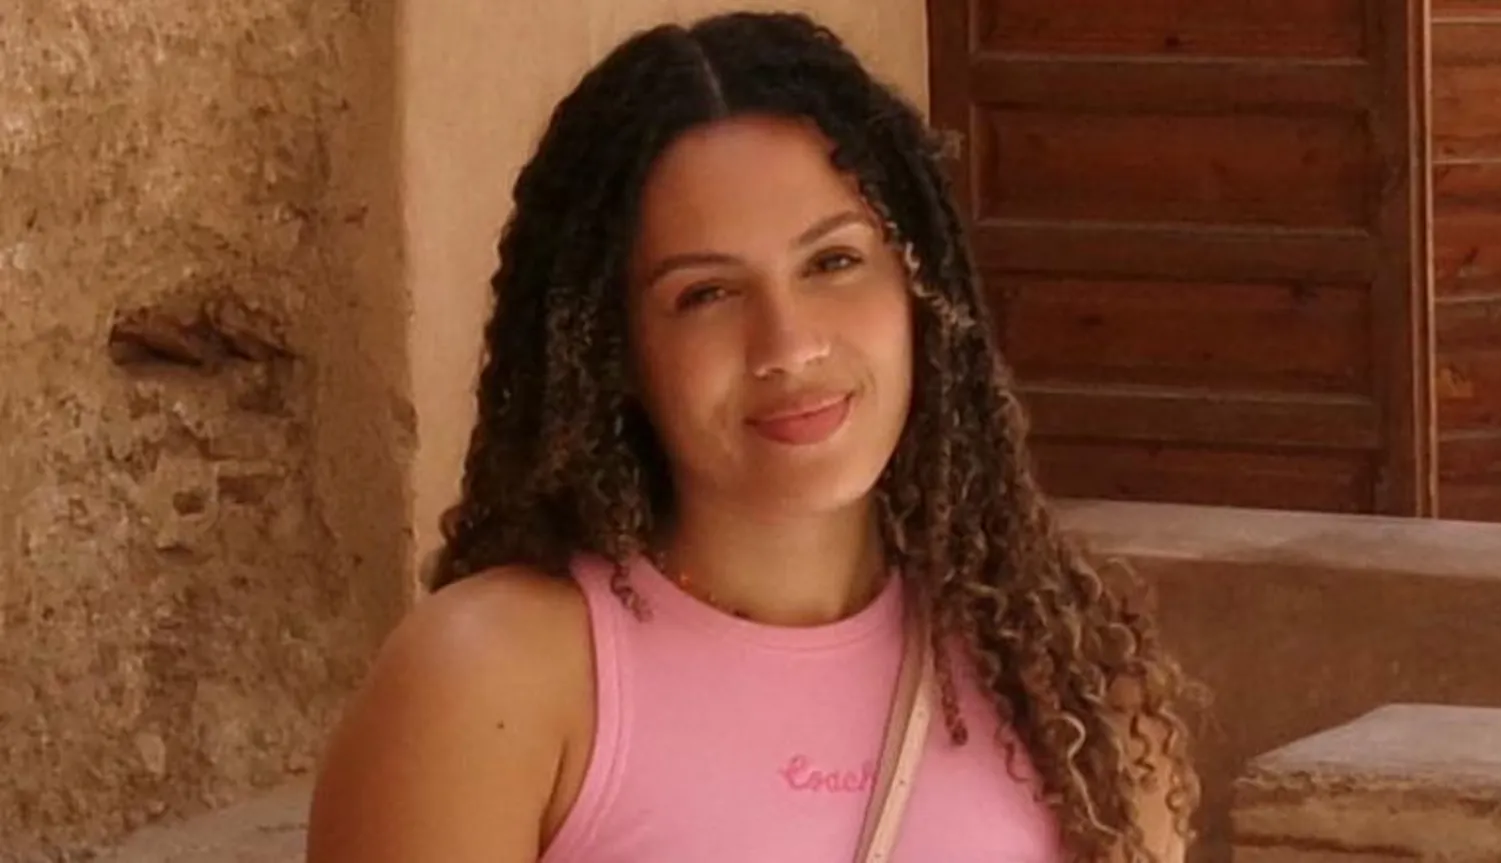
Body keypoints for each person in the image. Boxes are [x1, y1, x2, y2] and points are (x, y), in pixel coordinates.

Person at [306, 10, 1201, 863]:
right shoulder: (490, 684)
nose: (790, 345)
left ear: (923, 293)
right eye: (706, 294)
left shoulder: (1071, 690)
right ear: (612, 348)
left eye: (834, 262)